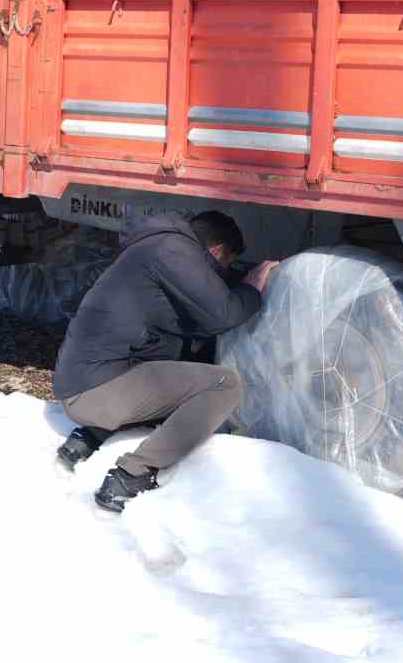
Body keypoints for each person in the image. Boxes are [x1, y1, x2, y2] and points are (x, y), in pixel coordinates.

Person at [52, 210, 279, 513]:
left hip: (81, 384)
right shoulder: (173, 251)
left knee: (176, 365)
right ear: (217, 251)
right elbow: (221, 314)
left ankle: (90, 436)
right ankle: (131, 474)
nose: (223, 270)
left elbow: (190, 323)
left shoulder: (155, 247)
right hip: (94, 393)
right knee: (224, 385)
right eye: (226, 263)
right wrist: (251, 287)